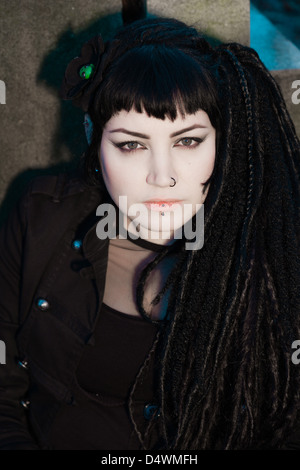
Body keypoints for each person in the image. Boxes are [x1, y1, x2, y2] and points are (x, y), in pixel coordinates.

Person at [0, 16, 299, 450]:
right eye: (131, 144)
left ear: (225, 141)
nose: (163, 177)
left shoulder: (275, 250)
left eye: (188, 141)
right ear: (95, 143)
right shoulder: (40, 215)